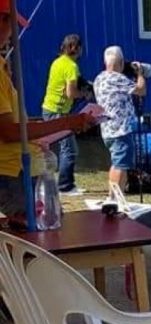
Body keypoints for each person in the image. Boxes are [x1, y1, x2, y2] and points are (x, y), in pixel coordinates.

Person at [0, 2, 93, 228]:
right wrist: (67, 122)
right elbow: (10, 132)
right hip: (12, 172)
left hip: (22, 168)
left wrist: (35, 135)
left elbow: (14, 123)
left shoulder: (55, 62)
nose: (12, 33)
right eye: (11, 24)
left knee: (46, 226)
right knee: (39, 234)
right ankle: (67, 183)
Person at [93, 45, 146, 200]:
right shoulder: (117, 78)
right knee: (121, 165)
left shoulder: (99, 78)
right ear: (121, 62)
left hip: (107, 129)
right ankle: (115, 198)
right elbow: (141, 90)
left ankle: (113, 197)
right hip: (120, 129)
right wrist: (140, 74)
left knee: (116, 163)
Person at [41, 33, 88, 196]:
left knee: (56, 148)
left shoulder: (57, 62)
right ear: (78, 49)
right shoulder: (71, 66)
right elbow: (70, 93)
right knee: (70, 149)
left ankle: (58, 183)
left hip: (49, 108)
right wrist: (84, 94)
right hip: (59, 112)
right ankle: (65, 186)